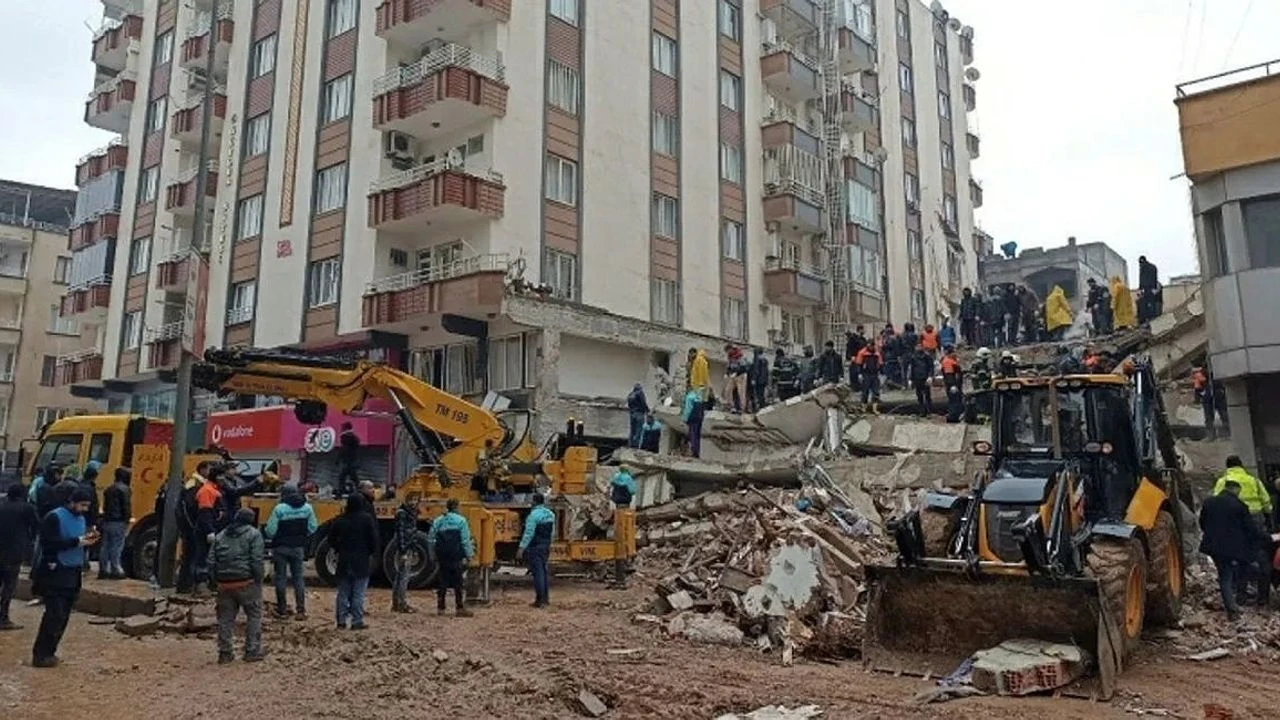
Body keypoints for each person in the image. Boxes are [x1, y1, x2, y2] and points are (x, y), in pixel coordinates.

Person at [30, 486, 99, 667]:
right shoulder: (54, 517)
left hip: (73, 572)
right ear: (72, 502)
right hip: (55, 572)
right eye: (82, 505)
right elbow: (49, 543)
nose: (85, 509)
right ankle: (40, 654)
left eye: (87, 506)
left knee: (64, 616)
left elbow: (80, 541)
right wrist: (77, 541)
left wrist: (88, 540)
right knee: (54, 615)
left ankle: (50, 652)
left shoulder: (81, 519)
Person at [1200, 479, 1270, 622]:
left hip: (1214, 547)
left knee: (1225, 575)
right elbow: (1251, 528)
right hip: (1234, 548)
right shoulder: (1239, 505)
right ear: (1236, 489)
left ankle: (1236, 601)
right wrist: (1266, 537)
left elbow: (1202, 522)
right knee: (1239, 570)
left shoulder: (1209, 502)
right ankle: (1235, 606)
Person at [209, 507, 266, 663]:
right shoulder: (254, 534)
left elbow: (211, 561)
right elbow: (256, 560)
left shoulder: (220, 536)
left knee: (225, 619)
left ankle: (225, 653)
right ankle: (252, 651)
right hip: (246, 582)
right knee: (254, 616)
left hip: (224, 584)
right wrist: (259, 579)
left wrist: (215, 581)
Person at [1212, 456, 1272, 606]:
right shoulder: (1253, 480)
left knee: (1238, 558)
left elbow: (1216, 501)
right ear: (1241, 465)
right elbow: (1266, 502)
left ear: (1227, 467)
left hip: (1233, 523)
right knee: (1260, 557)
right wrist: (1267, 517)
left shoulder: (1223, 481)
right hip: (1255, 520)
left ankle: (1240, 595)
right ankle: (1262, 597)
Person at [264, 485, 317, 619]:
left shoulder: (279, 509)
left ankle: (282, 610)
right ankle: (301, 610)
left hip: (280, 547)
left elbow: (270, 531)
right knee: (298, 578)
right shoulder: (307, 508)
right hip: (298, 547)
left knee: (280, 578)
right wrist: (302, 536)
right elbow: (313, 527)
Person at [329, 493, 380, 630]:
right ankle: (357, 621)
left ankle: (341, 621)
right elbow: (373, 539)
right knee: (358, 593)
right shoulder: (366, 519)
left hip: (344, 560)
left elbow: (331, 539)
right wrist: (370, 552)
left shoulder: (340, 520)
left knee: (343, 593)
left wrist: (338, 548)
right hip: (361, 560)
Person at [1, 484, 40, 630]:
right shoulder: (27, 508)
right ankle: (3, 618)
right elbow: (36, 526)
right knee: (9, 586)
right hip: (14, 552)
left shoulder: (2, 506)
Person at [426, 498, 475, 617]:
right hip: (456, 555)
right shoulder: (461, 521)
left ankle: (441, 608)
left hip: (442, 555)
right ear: (456, 507)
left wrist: (432, 555)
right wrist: (469, 555)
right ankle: (459, 608)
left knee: (443, 581)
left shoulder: (438, 520)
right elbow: (465, 540)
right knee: (458, 582)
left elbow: (431, 539)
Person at [517, 493, 555, 608]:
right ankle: (545, 599)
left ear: (534, 502)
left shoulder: (533, 516)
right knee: (543, 571)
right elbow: (552, 533)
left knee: (538, 573)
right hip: (545, 545)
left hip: (535, 546)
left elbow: (529, 533)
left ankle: (540, 600)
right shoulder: (550, 514)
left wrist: (521, 548)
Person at [99, 467, 132, 579]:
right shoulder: (125, 489)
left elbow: (105, 506)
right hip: (119, 521)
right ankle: (115, 569)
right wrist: (127, 520)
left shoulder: (108, 489)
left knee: (105, 546)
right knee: (117, 546)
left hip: (107, 520)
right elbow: (126, 506)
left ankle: (103, 569)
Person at [391, 493, 421, 613]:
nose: (414, 502)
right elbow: (401, 533)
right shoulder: (403, 513)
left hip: (409, 547)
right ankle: (401, 604)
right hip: (405, 548)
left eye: (416, 500)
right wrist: (403, 551)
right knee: (403, 577)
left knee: (401, 576)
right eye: (412, 500)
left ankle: (397, 603)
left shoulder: (410, 513)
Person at [609, 466, 637, 588]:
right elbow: (633, 491)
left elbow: (611, 491)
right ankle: (622, 575)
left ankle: (620, 575)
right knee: (626, 539)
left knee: (619, 539)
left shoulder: (615, 478)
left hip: (617, 508)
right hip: (625, 508)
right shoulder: (628, 478)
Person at [855, 342, 883, 411]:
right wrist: (859, 374)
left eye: (872, 346)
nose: (871, 347)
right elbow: (859, 364)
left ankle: (875, 409)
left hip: (875, 374)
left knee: (876, 392)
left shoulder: (877, 353)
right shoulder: (862, 353)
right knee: (865, 391)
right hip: (866, 374)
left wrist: (881, 373)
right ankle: (864, 408)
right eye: (870, 345)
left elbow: (880, 363)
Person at [908, 345, 935, 417]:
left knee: (927, 395)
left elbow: (931, 367)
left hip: (925, 378)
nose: (918, 348)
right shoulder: (913, 357)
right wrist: (910, 379)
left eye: (920, 347)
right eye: (917, 347)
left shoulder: (927, 357)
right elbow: (912, 369)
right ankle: (922, 412)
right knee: (919, 396)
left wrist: (930, 376)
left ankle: (929, 411)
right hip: (917, 378)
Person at [337, 422, 361, 496]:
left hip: (348, 462)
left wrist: (339, 459)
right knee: (353, 477)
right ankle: (358, 490)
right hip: (351, 461)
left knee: (343, 477)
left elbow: (344, 449)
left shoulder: (346, 437)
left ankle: (342, 491)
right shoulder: (354, 437)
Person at [941, 347, 964, 423]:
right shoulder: (947, 361)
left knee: (957, 400)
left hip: (956, 385)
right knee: (953, 401)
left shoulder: (953, 360)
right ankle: (952, 417)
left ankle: (956, 416)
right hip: (952, 385)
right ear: (950, 353)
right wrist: (952, 385)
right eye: (954, 352)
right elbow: (949, 375)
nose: (955, 354)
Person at [724, 345, 749, 413]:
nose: (728, 353)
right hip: (733, 375)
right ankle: (731, 406)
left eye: (728, 351)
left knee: (741, 392)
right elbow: (729, 366)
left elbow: (744, 366)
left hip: (741, 375)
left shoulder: (739, 355)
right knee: (728, 390)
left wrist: (737, 373)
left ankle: (742, 408)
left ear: (731, 349)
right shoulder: (730, 356)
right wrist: (727, 373)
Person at [681, 387, 705, 458]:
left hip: (692, 417)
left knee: (692, 434)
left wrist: (684, 419)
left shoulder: (689, 397)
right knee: (697, 435)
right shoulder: (699, 395)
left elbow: (688, 409)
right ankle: (697, 451)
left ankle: (693, 451)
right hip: (699, 417)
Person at [1137, 255, 1161, 324]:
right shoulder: (1153, 267)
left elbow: (1141, 279)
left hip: (1146, 289)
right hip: (1152, 289)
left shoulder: (1143, 268)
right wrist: (1154, 287)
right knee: (1151, 304)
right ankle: (1152, 320)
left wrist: (1141, 289)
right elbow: (1155, 277)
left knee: (1146, 305)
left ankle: (1148, 320)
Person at [626, 382, 649, 448]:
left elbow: (629, 405)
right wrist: (647, 410)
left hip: (632, 414)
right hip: (639, 413)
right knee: (639, 430)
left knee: (632, 430)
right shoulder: (640, 393)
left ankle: (630, 444)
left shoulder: (630, 394)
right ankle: (636, 446)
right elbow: (643, 403)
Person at [748, 348, 770, 412]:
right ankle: (762, 407)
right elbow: (767, 372)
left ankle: (758, 408)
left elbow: (756, 370)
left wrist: (753, 379)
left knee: (757, 394)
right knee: (762, 394)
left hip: (758, 380)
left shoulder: (757, 359)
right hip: (764, 380)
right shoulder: (765, 360)